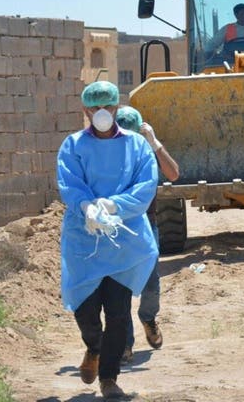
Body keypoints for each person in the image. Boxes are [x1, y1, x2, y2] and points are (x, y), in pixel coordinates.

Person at [56, 81, 159, 399]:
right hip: (84, 241)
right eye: (94, 108)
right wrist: (87, 207)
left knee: (117, 312)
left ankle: (109, 378)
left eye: (108, 107)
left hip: (123, 243)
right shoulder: (72, 146)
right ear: (85, 110)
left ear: (117, 108)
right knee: (85, 310)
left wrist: (114, 206)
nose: (102, 113)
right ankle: (93, 347)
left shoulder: (137, 146)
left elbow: (145, 185)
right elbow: (69, 183)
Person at [115, 106, 180, 363]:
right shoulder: (109, 155)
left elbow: (174, 174)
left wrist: (155, 144)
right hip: (117, 227)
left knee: (151, 285)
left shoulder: (147, 153)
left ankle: (148, 318)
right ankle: (124, 344)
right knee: (119, 288)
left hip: (146, 224)